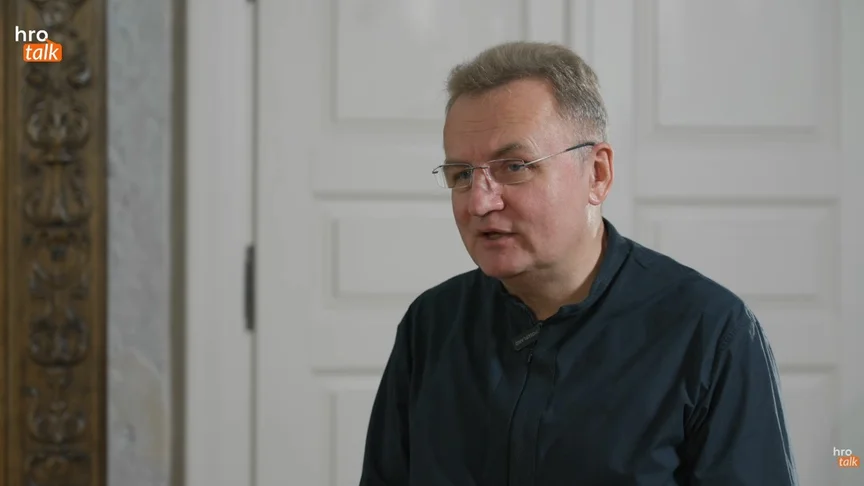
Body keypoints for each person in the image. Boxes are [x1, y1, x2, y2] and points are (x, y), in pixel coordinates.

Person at [358, 41, 798, 486]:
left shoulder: (710, 333)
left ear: (597, 174)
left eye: (515, 166)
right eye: (462, 174)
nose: (479, 202)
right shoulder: (431, 325)